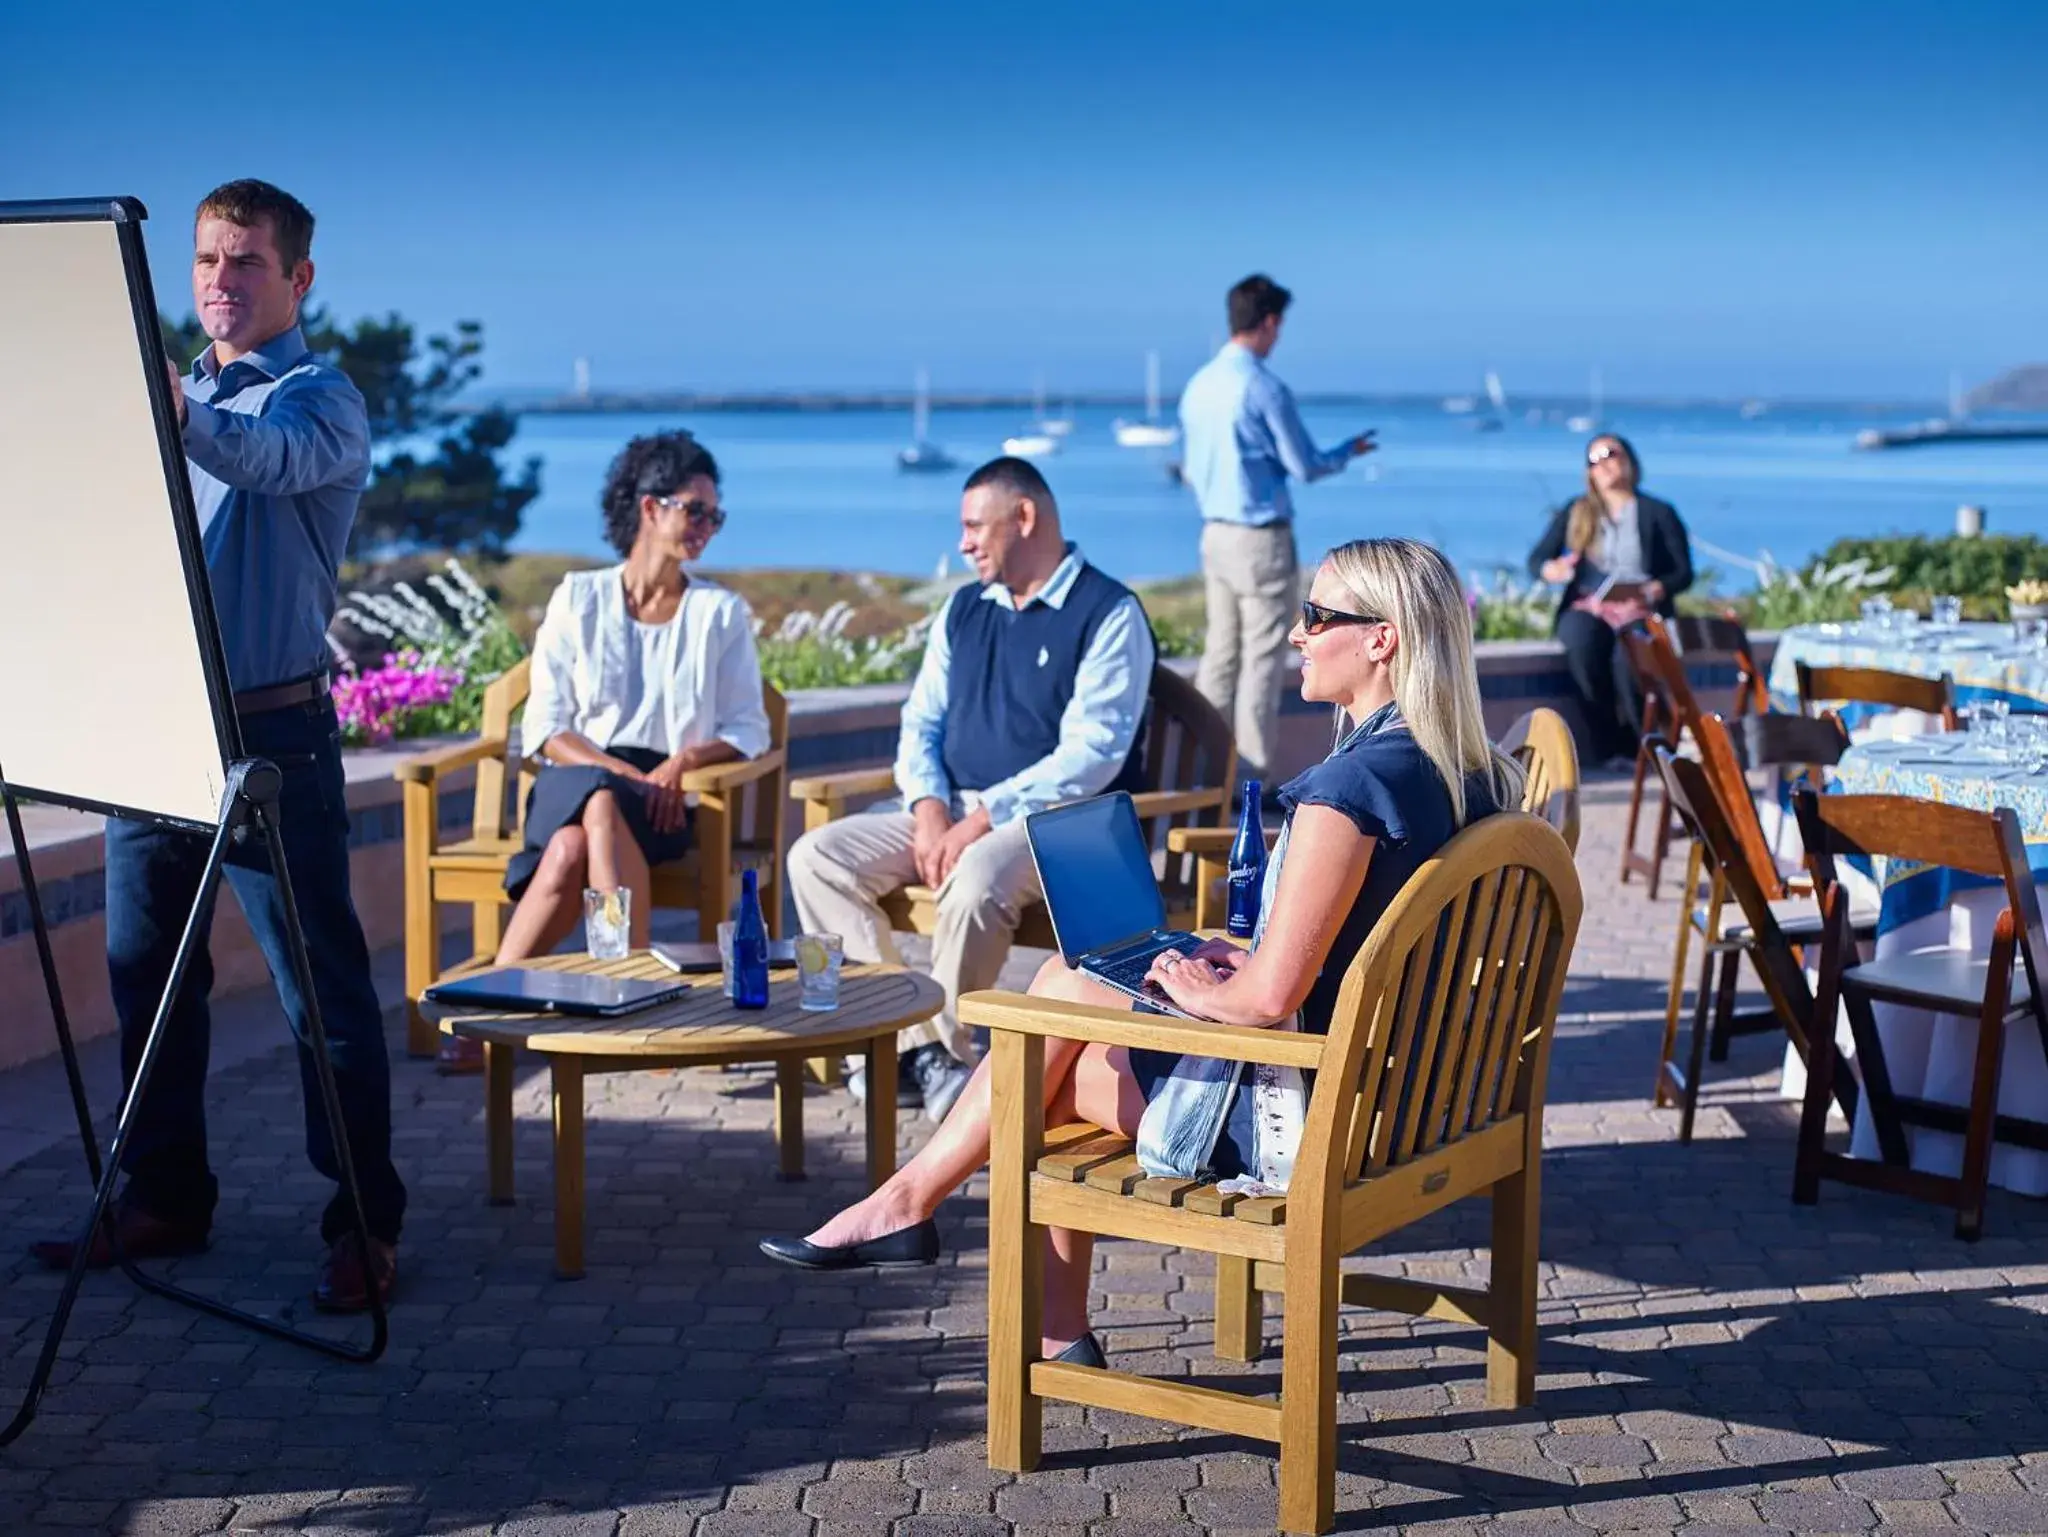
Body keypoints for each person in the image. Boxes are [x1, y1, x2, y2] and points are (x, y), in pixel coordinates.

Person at [759, 538, 1521, 1367]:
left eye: (1315, 615)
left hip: (1309, 1120)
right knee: (1064, 988)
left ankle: (937, 1227)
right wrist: (1224, 958)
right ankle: (956, 1245)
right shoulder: (1472, 773)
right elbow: (1350, 944)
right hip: (1411, 1100)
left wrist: (1201, 985)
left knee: (1039, 1065)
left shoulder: (1349, 791)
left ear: (1382, 638)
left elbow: (1266, 1001)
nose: (1296, 633)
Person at [29, 180, 404, 1311]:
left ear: (298, 278)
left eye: (245, 261)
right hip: (154, 727)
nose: (219, 280)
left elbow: (267, 459)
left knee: (318, 988)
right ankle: (165, 1197)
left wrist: (177, 417)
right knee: (145, 974)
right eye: (205, 260)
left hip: (272, 731)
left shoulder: (321, 401)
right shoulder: (178, 393)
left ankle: (365, 1226)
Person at [785, 457, 1156, 1123]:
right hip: (954, 810)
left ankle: (941, 1052)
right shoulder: (964, 609)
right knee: (816, 858)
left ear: (1025, 517)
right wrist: (930, 808)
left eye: (974, 527)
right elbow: (921, 721)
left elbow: (1091, 756)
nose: (963, 544)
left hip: (1064, 825)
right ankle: (919, 1049)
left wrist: (980, 819)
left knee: (976, 874)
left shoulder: (1109, 612)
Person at [435, 430, 772, 1073]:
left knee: (570, 849)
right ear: (650, 507)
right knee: (596, 802)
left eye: (715, 516)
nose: (707, 527)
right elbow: (545, 725)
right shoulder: (578, 597)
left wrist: (681, 764)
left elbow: (749, 728)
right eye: (695, 511)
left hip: (664, 803)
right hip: (575, 778)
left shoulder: (719, 612)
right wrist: (616, 775)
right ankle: (633, 1001)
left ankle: (487, 1014)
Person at [1177, 273, 1375, 784]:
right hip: (1259, 536)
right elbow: (1305, 465)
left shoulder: (1198, 387)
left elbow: (1193, 469)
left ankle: (1204, 773)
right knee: (1262, 659)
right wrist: (1347, 452)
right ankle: (1251, 779)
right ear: (1268, 323)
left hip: (1214, 533)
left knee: (1220, 653)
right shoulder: (1263, 388)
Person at [1526, 434, 1694, 767]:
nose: (1603, 464)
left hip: (1640, 607)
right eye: (1594, 459)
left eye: (1610, 454)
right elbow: (1537, 560)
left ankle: (1639, 746)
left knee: (1628, 658)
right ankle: (1604, 746)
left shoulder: (1657, 512)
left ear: (1629, 461)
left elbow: (1683, 572)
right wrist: (1554, 569)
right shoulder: (1577, 511)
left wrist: (1655, 589)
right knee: (1581, 643)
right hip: (1589, 606)